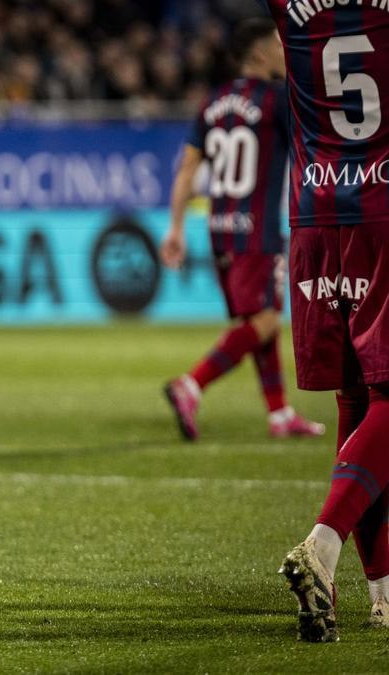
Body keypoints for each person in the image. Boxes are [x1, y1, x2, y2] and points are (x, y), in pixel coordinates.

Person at [257, 2, 389, 642]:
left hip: (313, 212)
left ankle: (380, 593)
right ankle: (326, 543)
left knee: (355, 398)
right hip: (384, 206)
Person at [161, 18, 323, 441]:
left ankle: (280, 415)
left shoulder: (212, 102)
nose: (284, 51)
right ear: (257, 54)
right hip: (258, 230)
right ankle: (191, 385)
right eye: (276, 43)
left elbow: (187, 170)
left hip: (220, 229)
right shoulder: (277, 99)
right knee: (266, 321)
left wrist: (175, 227)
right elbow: (315, 151)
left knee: (257, 320)